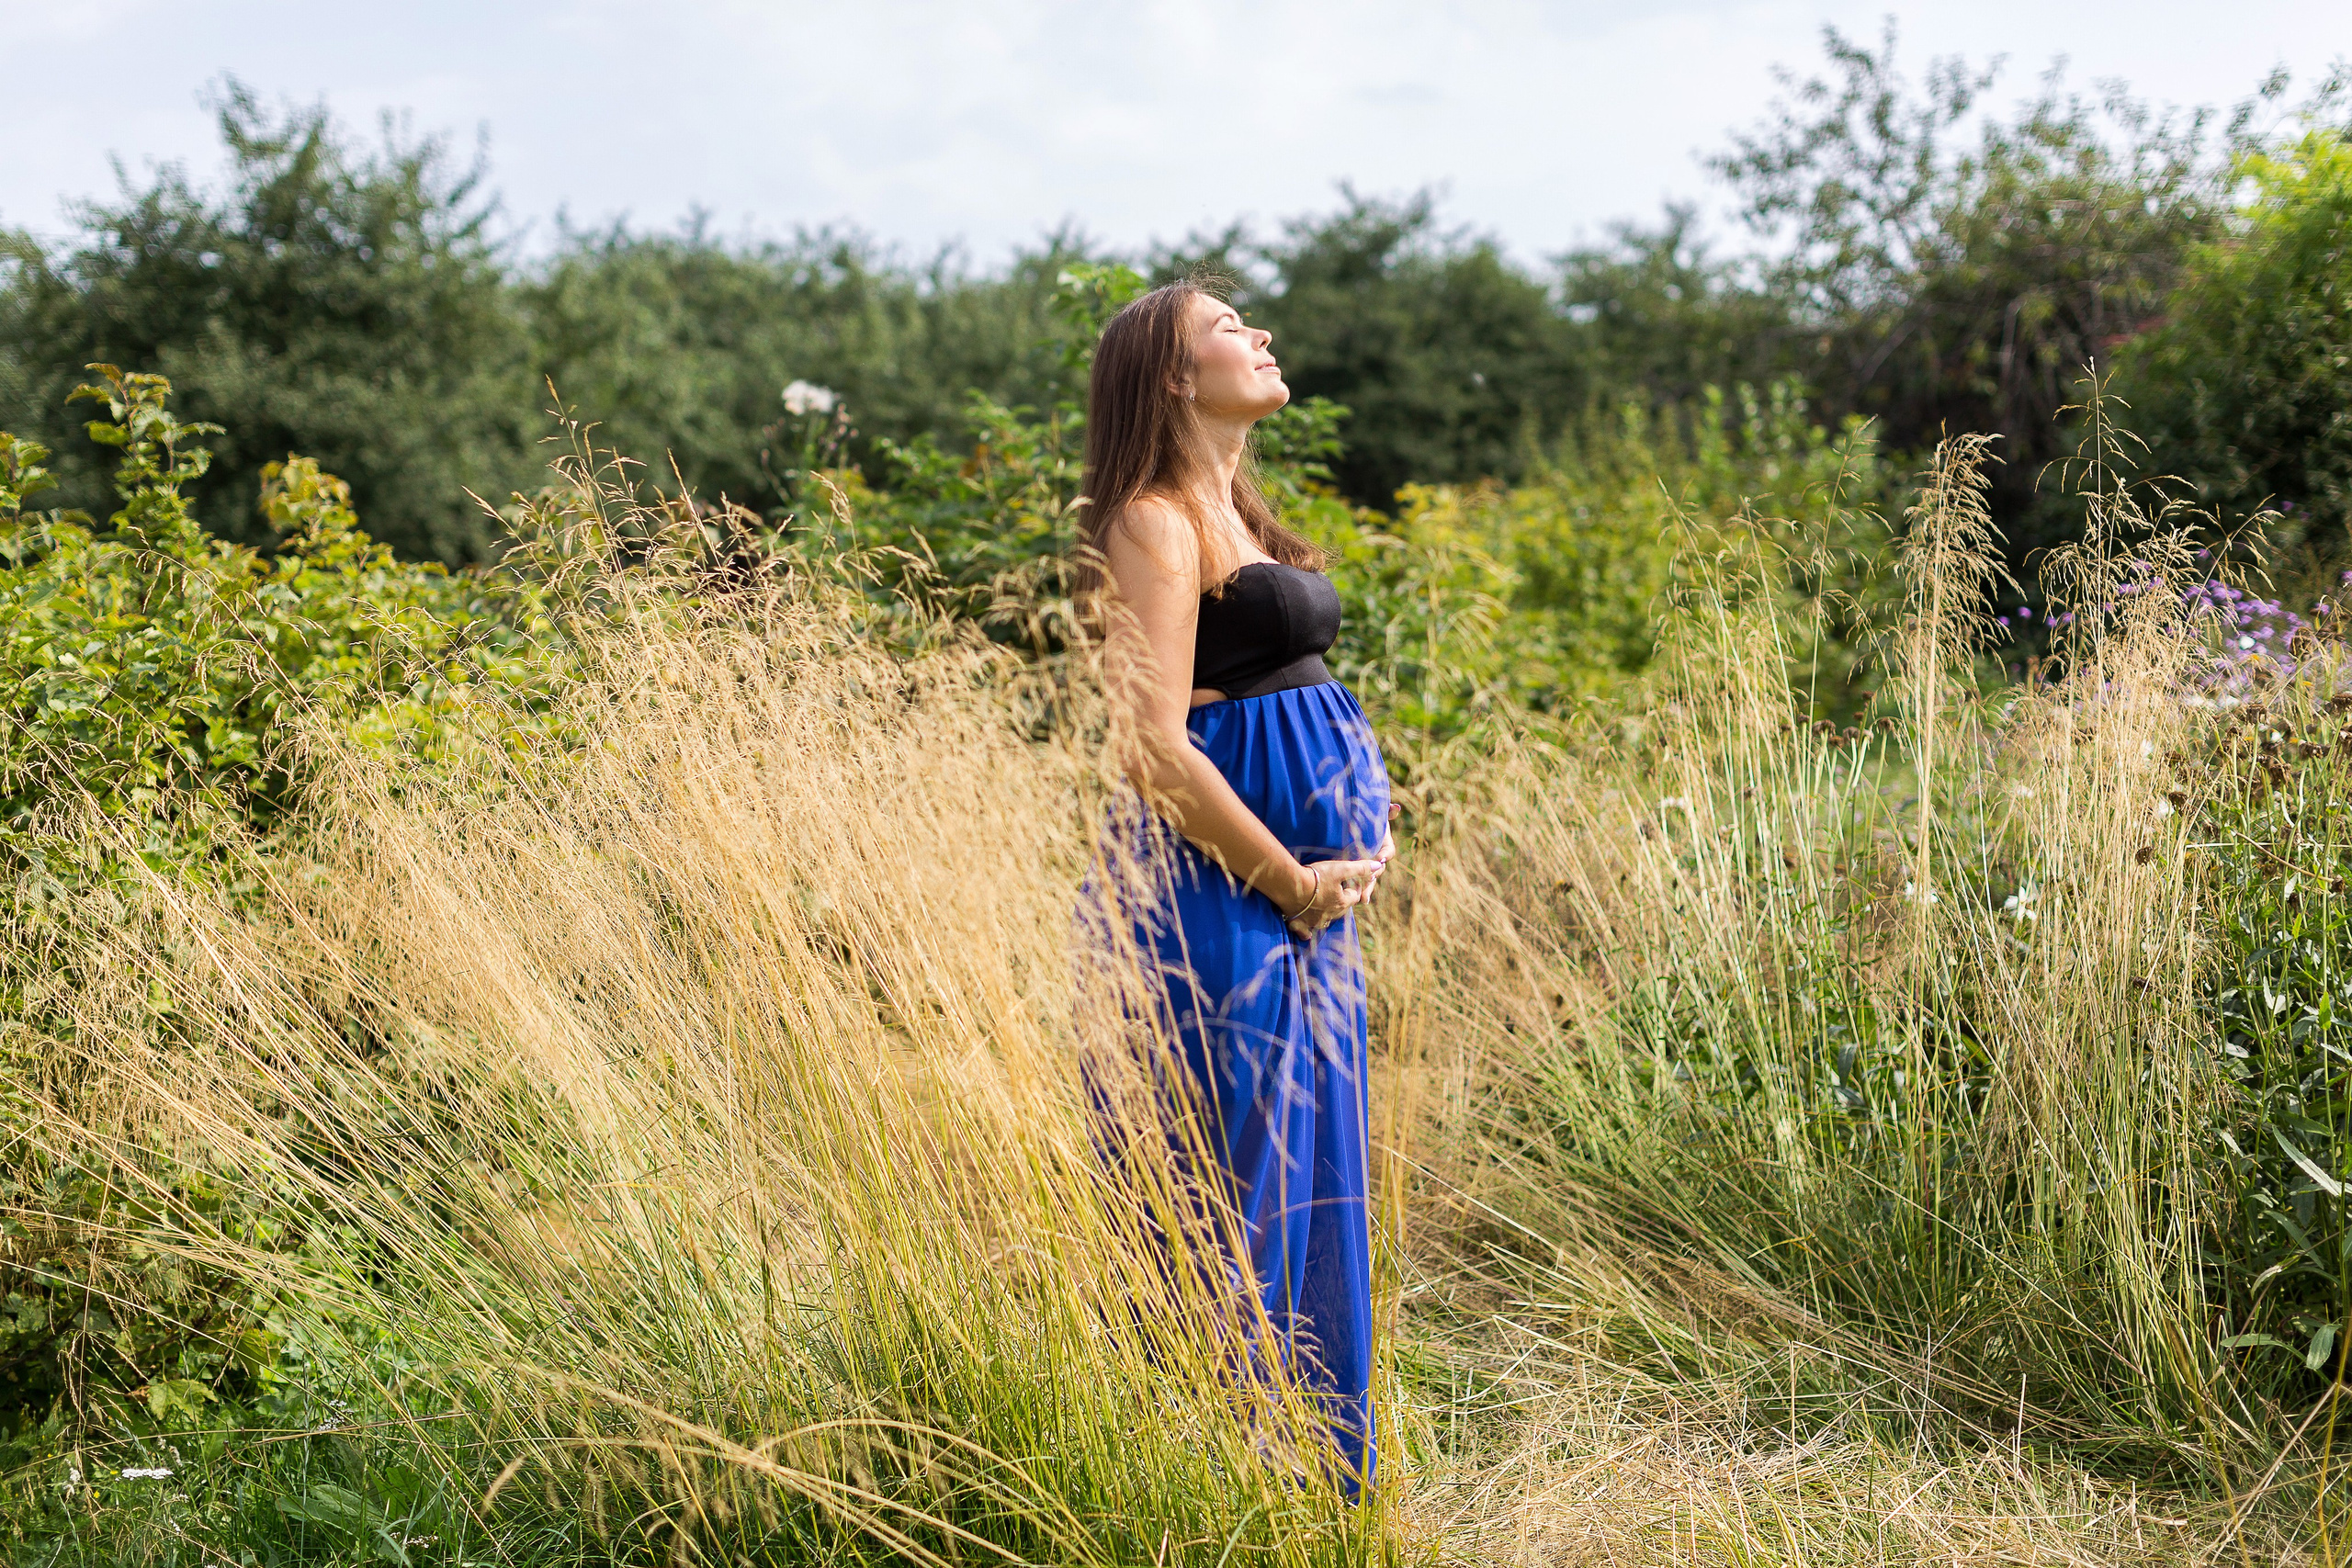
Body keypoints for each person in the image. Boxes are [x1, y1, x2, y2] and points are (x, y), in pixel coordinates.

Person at [1078, 277, 1394, 1494]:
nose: (1258, 335)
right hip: (1227, 901)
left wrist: (1364, 815)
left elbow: (1290, 695)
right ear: (1170, 375)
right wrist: (1285, 873)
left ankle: (1317, 1486)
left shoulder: (1238, 511)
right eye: (1227, 328)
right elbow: (1153, 744)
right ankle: (1223, 1482)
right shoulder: (1154, 520)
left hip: (1305, 907)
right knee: (1241, 1184)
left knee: (1314, 1175)